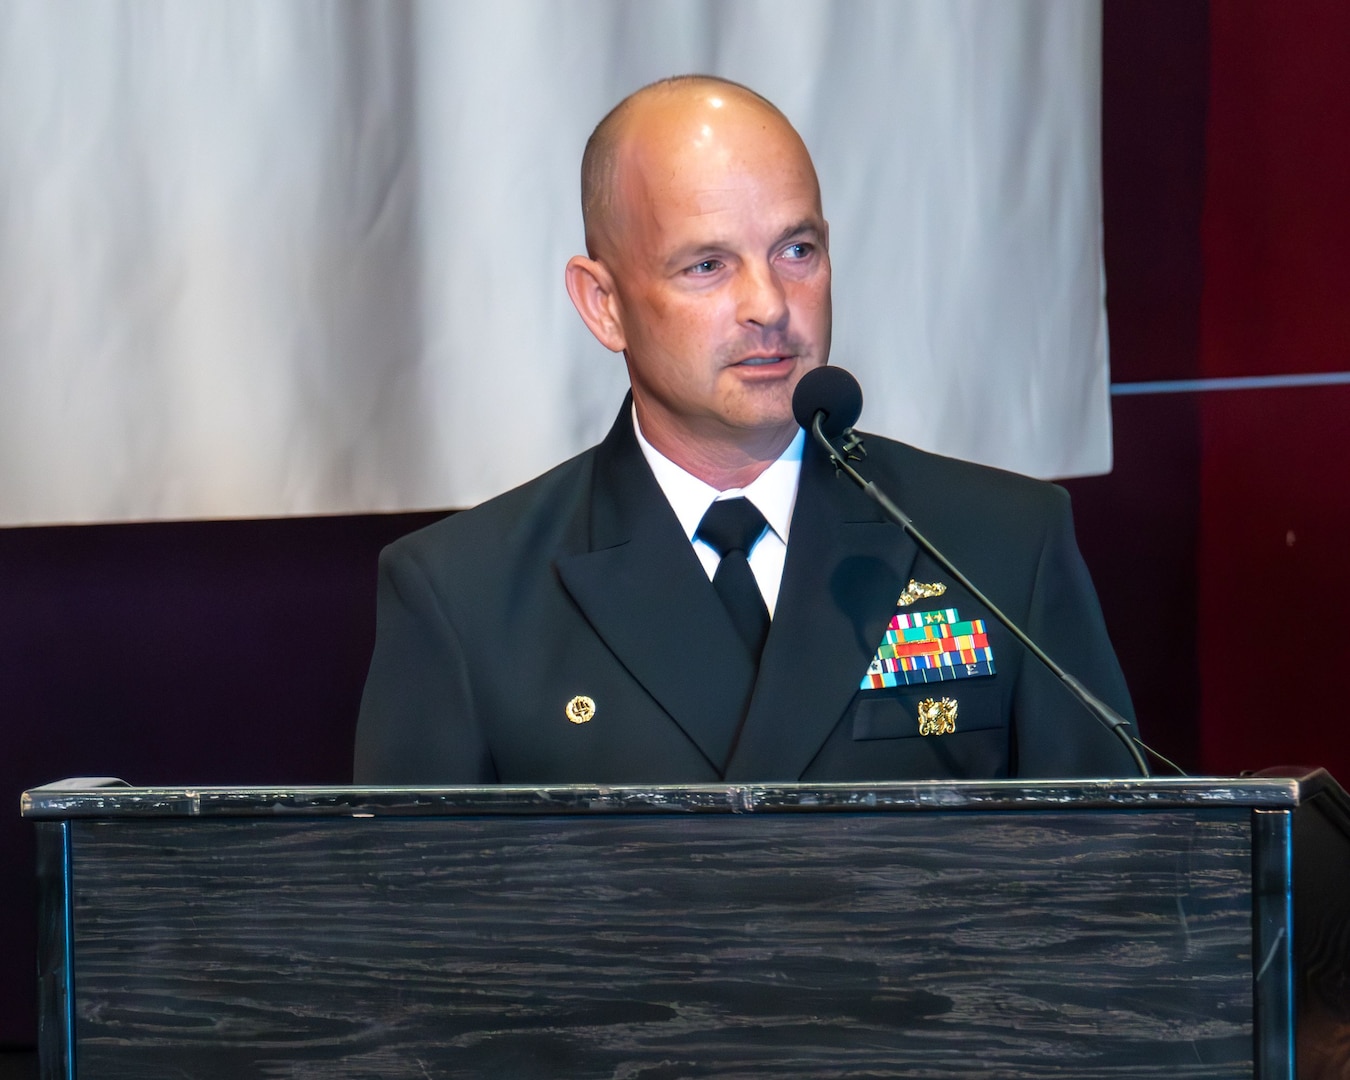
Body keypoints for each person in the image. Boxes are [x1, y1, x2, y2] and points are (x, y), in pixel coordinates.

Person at [353, 75, 1137, 785]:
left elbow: (1117, 889)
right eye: (708, 266)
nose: (769, 304)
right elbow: (413, 927)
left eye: (797, 251)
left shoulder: (999, 545)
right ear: (604, 305)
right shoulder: (465, 595)